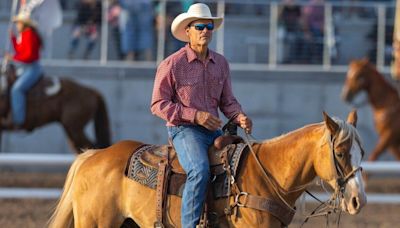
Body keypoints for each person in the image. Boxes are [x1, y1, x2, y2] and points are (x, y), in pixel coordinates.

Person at [150, 3, 252, 227]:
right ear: (188, 31)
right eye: (200, 26)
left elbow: (228, 101)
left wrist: (239, 116)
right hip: (184, 130)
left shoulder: (221, 63)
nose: (205, 30)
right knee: (199, 170)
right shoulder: (172, 64)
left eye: (209, 26)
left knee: (245, 166)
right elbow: (158, 104)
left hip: (214, 131)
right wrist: (196, 116)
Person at [4, 12, 43, 128]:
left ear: (24, 24)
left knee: (17, 90)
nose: (17, 25)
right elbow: (20, 50)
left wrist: (12, 58)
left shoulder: (29, 35)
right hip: (25, 68)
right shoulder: (26, 34)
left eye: (18, 23)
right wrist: (13, 38)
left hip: (32, 68)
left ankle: (18, 121)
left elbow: (29, 56)